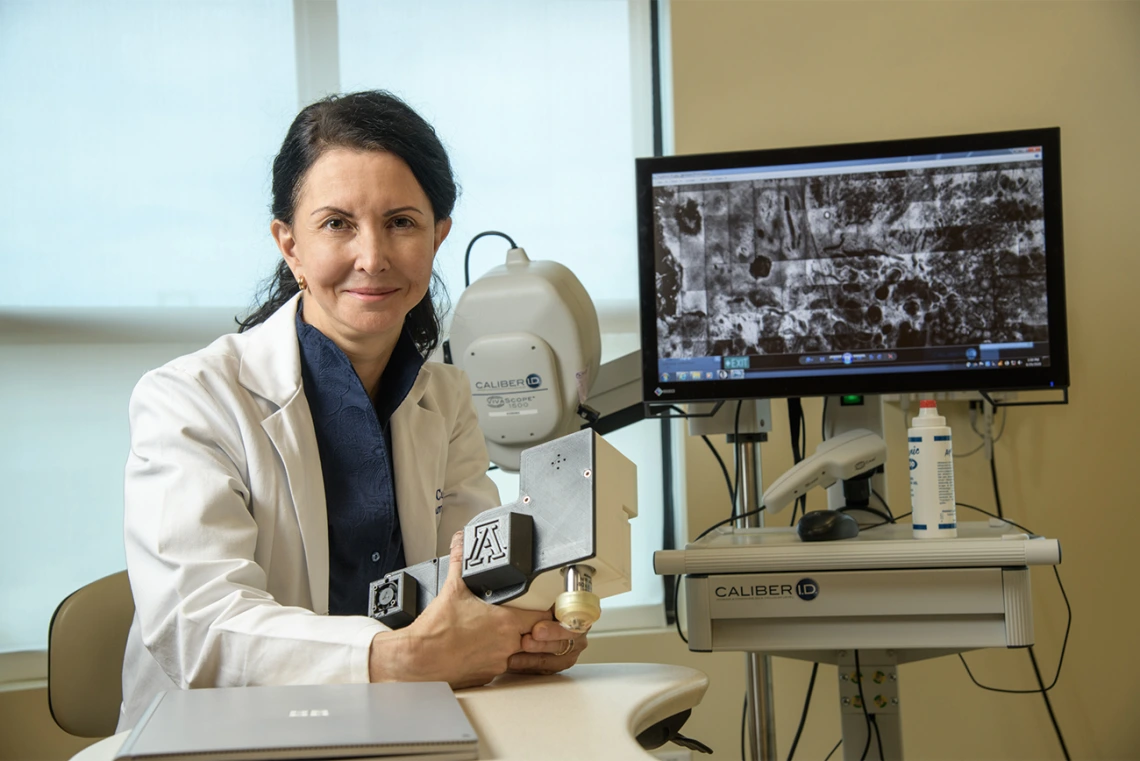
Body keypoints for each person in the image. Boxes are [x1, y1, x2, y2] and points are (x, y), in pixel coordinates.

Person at [118, 90, 587, 730]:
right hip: (220, 733)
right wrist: (401, 657)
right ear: (290, 245)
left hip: (396, 725)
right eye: (337, 224)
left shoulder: (444, 398)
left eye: (402, 222)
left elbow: (476, 582)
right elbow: (198, 631)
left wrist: (526, 628)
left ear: (437, 236)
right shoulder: (189, 399)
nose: (373, 257)